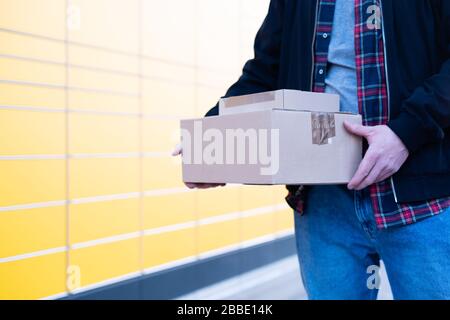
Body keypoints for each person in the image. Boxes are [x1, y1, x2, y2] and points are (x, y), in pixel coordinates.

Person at [173, 0, 450, 299]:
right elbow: (265, 71)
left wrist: (405, 133)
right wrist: (214, 134)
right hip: (323, 202)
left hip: (420, 196)